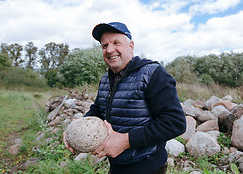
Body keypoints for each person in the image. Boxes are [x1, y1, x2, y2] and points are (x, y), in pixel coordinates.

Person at [63, 22, 186, 174]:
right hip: (117, 166)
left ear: (131, 46)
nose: (109, 50)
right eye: (104, 45)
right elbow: (98, 111)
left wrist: (125, 141)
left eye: (116, 43)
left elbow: (175, 122)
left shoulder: (153, 74)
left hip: (148, 167)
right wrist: (75, 131)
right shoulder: (105, 79)